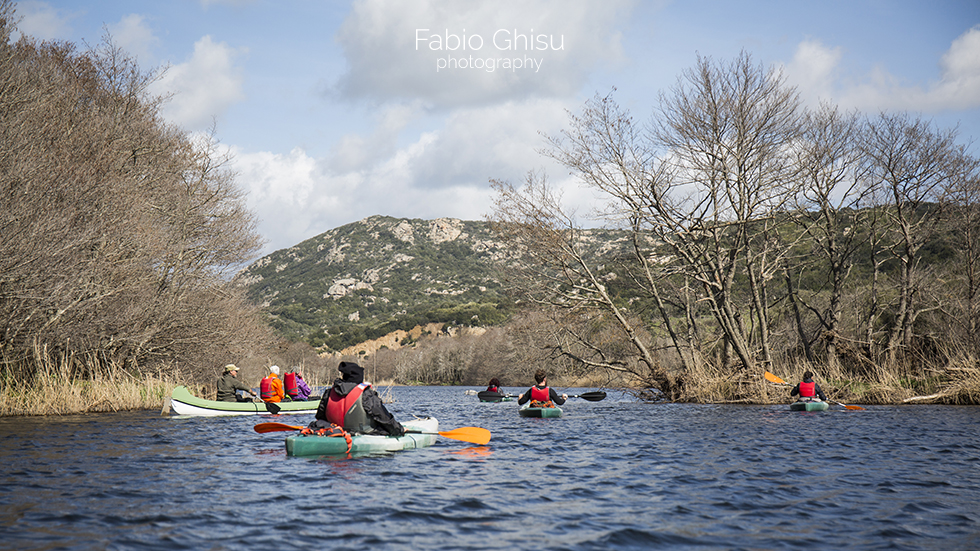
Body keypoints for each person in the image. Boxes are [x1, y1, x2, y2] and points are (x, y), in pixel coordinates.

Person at [307, 361, 404, 436]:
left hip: (335, 433)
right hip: (363, 433)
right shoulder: (366, 394)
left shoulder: (328, 393)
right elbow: (383, 417)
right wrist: (398, 429)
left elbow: (320, 416)